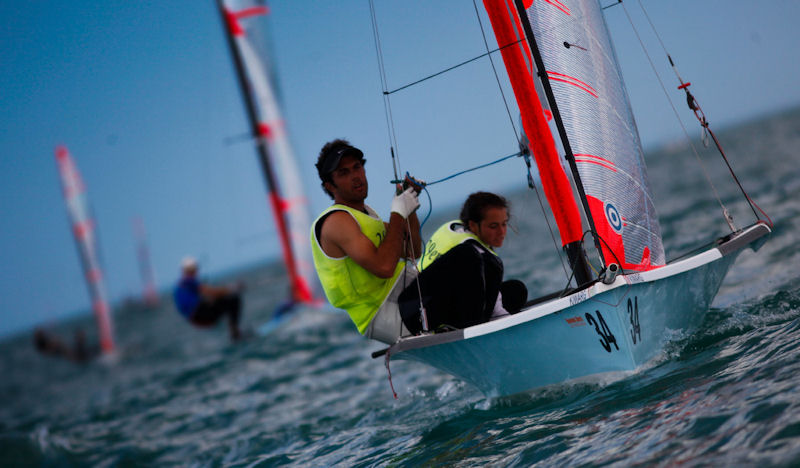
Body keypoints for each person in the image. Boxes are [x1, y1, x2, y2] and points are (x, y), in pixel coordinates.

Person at [310, 139, 423, 344]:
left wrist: (409, 206)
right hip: (385, 313)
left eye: (357, 167)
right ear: (329, 185)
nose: (356, 177)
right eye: (344, 173)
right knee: (464, 256)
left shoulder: (367, 215)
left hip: (407, 296)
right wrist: (398, 212)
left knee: (464, 261)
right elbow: (384, 267)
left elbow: (413, 251)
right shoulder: (337, 221)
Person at [399, 191, 528, 333]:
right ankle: (471, 329)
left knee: (516, 291)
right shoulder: (470, 252)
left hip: (427, 304)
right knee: (473, 259)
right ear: (473, 225)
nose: (502, 232)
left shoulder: (457, 232)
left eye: (504, 224)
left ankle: (469, 325)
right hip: (419, 316)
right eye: (493, 226)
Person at [173, 256, 243, 341]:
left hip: (195, 319)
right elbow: (211, 292)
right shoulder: (188, 281)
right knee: (233, 299)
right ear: (190, 270)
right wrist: (232, 288)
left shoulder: (179, 285)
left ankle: (234, 334)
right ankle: (236, 335)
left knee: (223, 300)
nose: (196, 271)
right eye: (195, 268)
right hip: (201, 316)